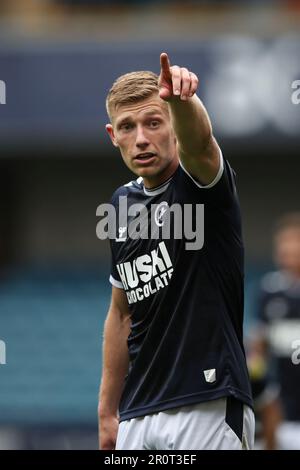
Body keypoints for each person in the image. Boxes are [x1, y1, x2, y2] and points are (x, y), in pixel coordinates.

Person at [98, 52, 254, 450]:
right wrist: (107, 412)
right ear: (113, 136)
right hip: (138, 412)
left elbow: (200, 141)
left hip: (206, 402)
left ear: (173, 127)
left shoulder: (201, 182)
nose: (141, 138)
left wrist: (183, 102)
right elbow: (120, 313)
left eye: (154, 122)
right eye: (127, 127)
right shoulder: (120, 206)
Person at [253, 213, 300, 449]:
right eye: (282, 245)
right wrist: (265, 397)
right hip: (283, 415)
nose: (285, 251)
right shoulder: (269, 292)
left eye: (293, 244)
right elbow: (258, 349)